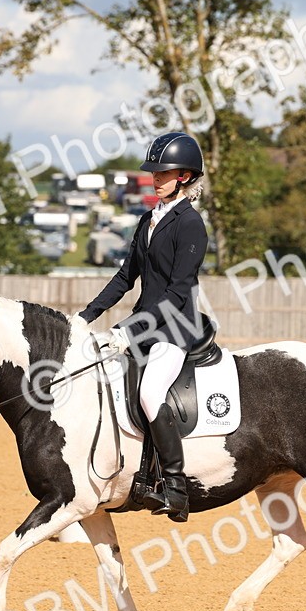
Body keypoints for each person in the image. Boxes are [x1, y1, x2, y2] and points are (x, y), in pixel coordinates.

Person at [78, 132, 209, 523]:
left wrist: (129, 331)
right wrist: (85, 316)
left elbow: (176, 292)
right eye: (154, 171)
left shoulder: (191, 225)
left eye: (163, 172)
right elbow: (125, 277)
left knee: (151, 394)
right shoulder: (147, 220)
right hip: (142, 325)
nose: (156, 177)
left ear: (184, 176)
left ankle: (175, 487)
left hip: (174, 328)